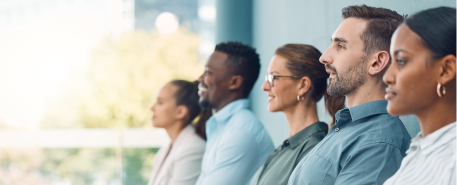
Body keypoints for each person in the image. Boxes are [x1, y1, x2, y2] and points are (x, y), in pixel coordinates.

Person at [288, 5, 411, 185]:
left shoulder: (378, 144)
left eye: (340, 46)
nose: (324, 57)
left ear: (376, 62)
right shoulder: (347, 128)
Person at [250, 44, 345, 185]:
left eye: (273, 77)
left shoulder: (314, 150)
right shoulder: (287, 149)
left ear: (303, 85)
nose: (265, 86)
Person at [383, 7, 456, 185]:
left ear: (445, 70)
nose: (387, 77)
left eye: (401, 61)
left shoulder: (452, 162)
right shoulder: (419, 151)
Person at [195, 41, 274, 185]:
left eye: (208, 72)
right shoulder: (225, 126)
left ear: (234, 83)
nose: (200, 79)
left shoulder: (240, 132)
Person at [147, 80, 212, 185]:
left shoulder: (193, 150)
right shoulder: (165, 150)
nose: (152, 108)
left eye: (160, 102)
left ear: (180, 112)